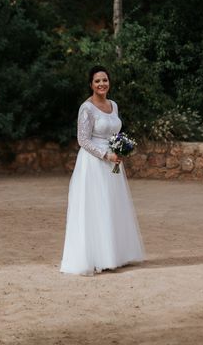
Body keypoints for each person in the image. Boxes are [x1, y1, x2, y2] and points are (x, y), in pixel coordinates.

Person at [60, 65, 144, 275]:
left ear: (109, 82)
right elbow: (83, 140)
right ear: (91, 84)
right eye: (97, 81)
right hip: (94, 163)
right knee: (97, 206)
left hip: (113, 163)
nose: (101, 84)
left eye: (104, 80)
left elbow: (114, 132)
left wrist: (120, 148)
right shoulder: (86, 108)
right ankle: (97, 257)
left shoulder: (113, 105)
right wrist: (106, 154)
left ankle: (115, 254)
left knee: (113, 205)